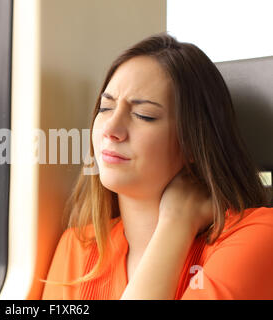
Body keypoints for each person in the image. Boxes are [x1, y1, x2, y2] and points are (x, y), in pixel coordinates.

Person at [41, 32, 273, 300]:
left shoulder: (257, 238)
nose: (111, 129)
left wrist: (176, 222)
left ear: (193, 142)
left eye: (144, 115)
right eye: (105, 108)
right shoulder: (79, 247)